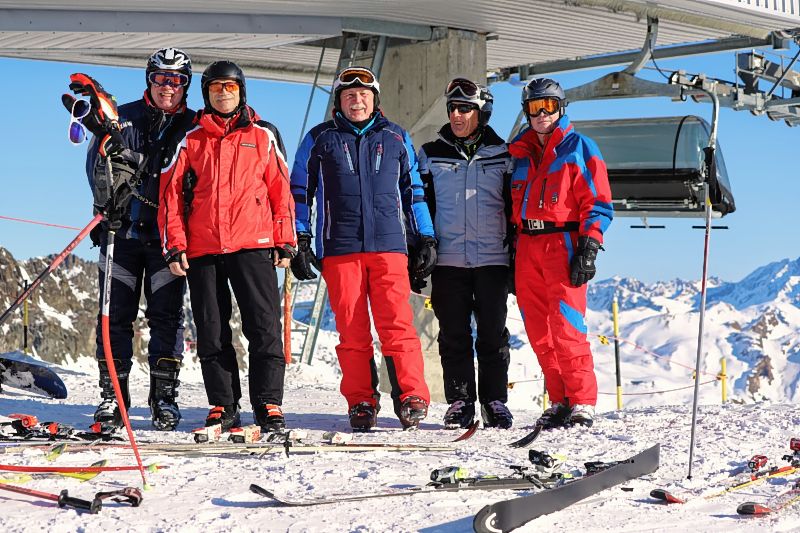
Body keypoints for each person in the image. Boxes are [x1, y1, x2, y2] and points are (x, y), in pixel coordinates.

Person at [289, 66, 436, 431]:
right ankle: (361, 402)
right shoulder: (319, 139)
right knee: (352, 331)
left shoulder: (396, 137)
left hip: (389, 247)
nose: (357, 100)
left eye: (364, 95)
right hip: (340, 249)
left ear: (375, 100)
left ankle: (411, 397)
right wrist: (300, 239)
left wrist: (426, 238)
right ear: (339, 101)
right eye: (349, 95)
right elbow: (298, 193)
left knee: (397, 325)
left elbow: (414, 193)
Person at [158, 61, 296, 433]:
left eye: (230, 87)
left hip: (254, 243)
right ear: (206, 94)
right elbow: (170, 193)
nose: (223, 93)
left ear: (241, 91)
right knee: (212, 329)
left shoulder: (263, 135)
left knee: (264, 326)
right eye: (216, 87)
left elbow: (280, 190)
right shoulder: (191, 137)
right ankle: (223, 404)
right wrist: (175, 244)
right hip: (204, 247)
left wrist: (285, 239)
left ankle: (268, 402)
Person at [70, 48, 195, 431]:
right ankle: (113, 397)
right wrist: (108, 194)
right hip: (121, 234)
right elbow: (95, 164)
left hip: (167, 241)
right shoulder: (122, 118)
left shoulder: (194, 125)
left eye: (176, 80)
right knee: (113, 318)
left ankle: (164, 398)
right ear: (149, 80)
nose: (167, 87)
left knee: (167, 320)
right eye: (160, 78)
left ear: (186, 85)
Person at [508, 78, 613, 429]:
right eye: (535, 107)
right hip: (527, 246)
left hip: (563, 245)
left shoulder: (579, 148)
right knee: (539, 331)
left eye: (548, 106)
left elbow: (598, 202)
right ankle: (559, 400)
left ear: (561, 108)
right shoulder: (518, 155)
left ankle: (582, 400)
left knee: (567, 327)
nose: (542, 114)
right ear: (527, 112)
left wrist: (589, 246)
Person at [417, 78, 514, 430]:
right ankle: (460, 401)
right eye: (453, 109)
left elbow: (512, 207)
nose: (457, 115)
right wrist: (419, 251)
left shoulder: (504, 155)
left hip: (492, 259)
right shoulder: (429, 153)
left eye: (465, 109)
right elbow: (419, 205)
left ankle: (494, 401)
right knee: (453, 334)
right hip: (448, 261)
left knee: (492, 333)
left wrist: (516, 257)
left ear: (481, 112)